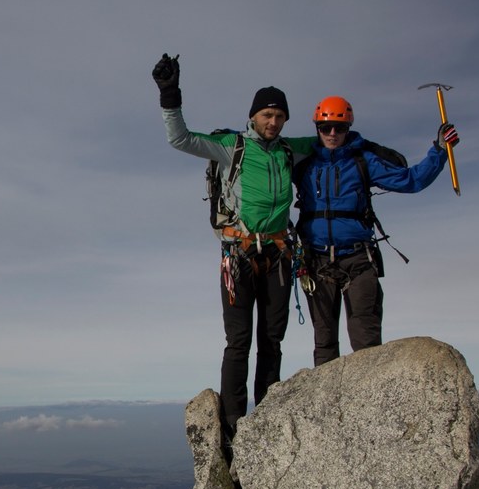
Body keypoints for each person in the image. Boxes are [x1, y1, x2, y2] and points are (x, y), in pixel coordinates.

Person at [152, 54, 317, 452]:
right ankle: (232, 425)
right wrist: (170, 96)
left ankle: (268, 414)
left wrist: (364, 141)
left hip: (278, 256)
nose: (273, 122)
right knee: (239, 340)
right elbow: (181, 139)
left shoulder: (290, 150)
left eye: (279, 116)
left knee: (272, 340)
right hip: (238, 257)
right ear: (253, 116)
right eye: (267, 114)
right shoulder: (233, 146)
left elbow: (332, 140)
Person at [293, 95, 458, 366]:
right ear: (317, 129)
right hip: (316, 261)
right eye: (326, 128)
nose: (332, 133)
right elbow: (264, 170)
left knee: (366, 344)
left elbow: (411, 180)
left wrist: (439, 150)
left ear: (349, 127)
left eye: (340, 127)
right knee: (324, 344)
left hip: (358, 259)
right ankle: (325, 407)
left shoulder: (363, 161)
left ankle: (367, 405)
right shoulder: (304, 164)